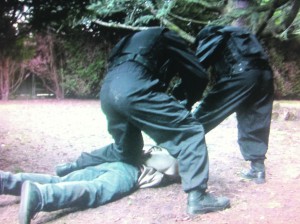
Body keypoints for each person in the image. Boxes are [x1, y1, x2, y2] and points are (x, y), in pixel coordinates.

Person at [54, 27, 230, 216]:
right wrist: (187, 102)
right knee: (191, 131)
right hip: (133, 88)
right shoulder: (166, 34)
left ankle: (75, 165)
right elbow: (197, 73)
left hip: (108, 91)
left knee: (127, 150)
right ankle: (198, 197)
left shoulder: (129, 41)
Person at [0, 146, 180, 224]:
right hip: (130, 171)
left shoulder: (150, 143)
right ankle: (41, 196)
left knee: (60, 181)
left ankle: (7, 181)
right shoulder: (173, 154)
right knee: (96, 190)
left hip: (112, 162)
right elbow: (173, 171)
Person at [192, 25, 274, 184]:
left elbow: (197, 65)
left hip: (241, 74)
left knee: (205, 114)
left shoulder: (215, 36)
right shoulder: (242, 34)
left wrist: (184, 96)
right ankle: (258, 170)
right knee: (254, 118)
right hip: (265, 75)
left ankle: (176, 156)